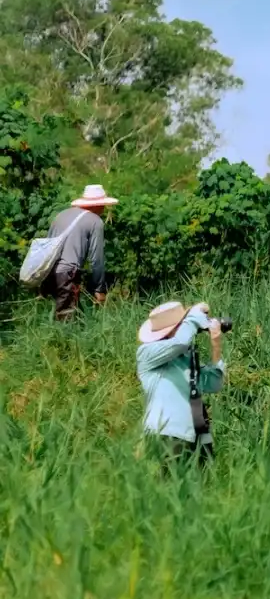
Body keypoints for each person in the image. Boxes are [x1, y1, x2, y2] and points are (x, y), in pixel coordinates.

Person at [136, 301, 226, 471]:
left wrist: (216, 345)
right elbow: (180, 342)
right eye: (182, 324)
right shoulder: (146, 353)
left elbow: (214, 384)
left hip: (194, 434)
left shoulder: (186, 358)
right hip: (165, 434)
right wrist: (193, 317)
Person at [41, 184, 118, 321]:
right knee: (66, 320)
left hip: (48, 272)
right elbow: (96, 259)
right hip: (68, 273)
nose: (104, 209)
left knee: (62, 315)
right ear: (98, 205)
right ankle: (61, 342)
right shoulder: (95, 221)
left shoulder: (61, 215)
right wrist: (99, 289)